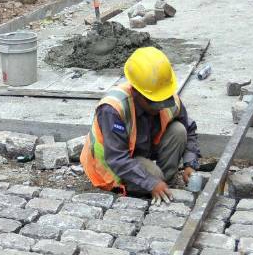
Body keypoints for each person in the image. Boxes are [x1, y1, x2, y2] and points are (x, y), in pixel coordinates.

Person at [80, 46, 201, 204]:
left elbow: (189, 128)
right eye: (153, 102)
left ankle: (164, 185)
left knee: (179, 130)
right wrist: (151, 183)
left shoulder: (165, 95)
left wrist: (190, 164)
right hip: (114, 165)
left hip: (144, 149)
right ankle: (157, 185)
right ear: (137, 92)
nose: (160, 106)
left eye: (162, 100)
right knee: (153, 177)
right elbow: (117, 158)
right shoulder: (113, 109)